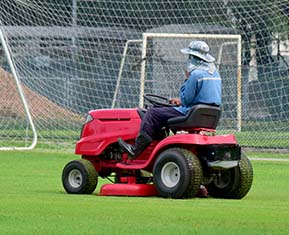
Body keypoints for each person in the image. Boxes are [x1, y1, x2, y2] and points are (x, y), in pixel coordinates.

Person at [118, 40, 222, 159]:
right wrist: (180, 101)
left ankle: (136, 149)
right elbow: (204, 96)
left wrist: (186, 80)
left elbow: (187, 100)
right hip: (208, 113)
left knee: (152, 113)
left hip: (189, 112)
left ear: (193, 57)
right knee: (164, 111)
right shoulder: (214, 74)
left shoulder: (195, 75)